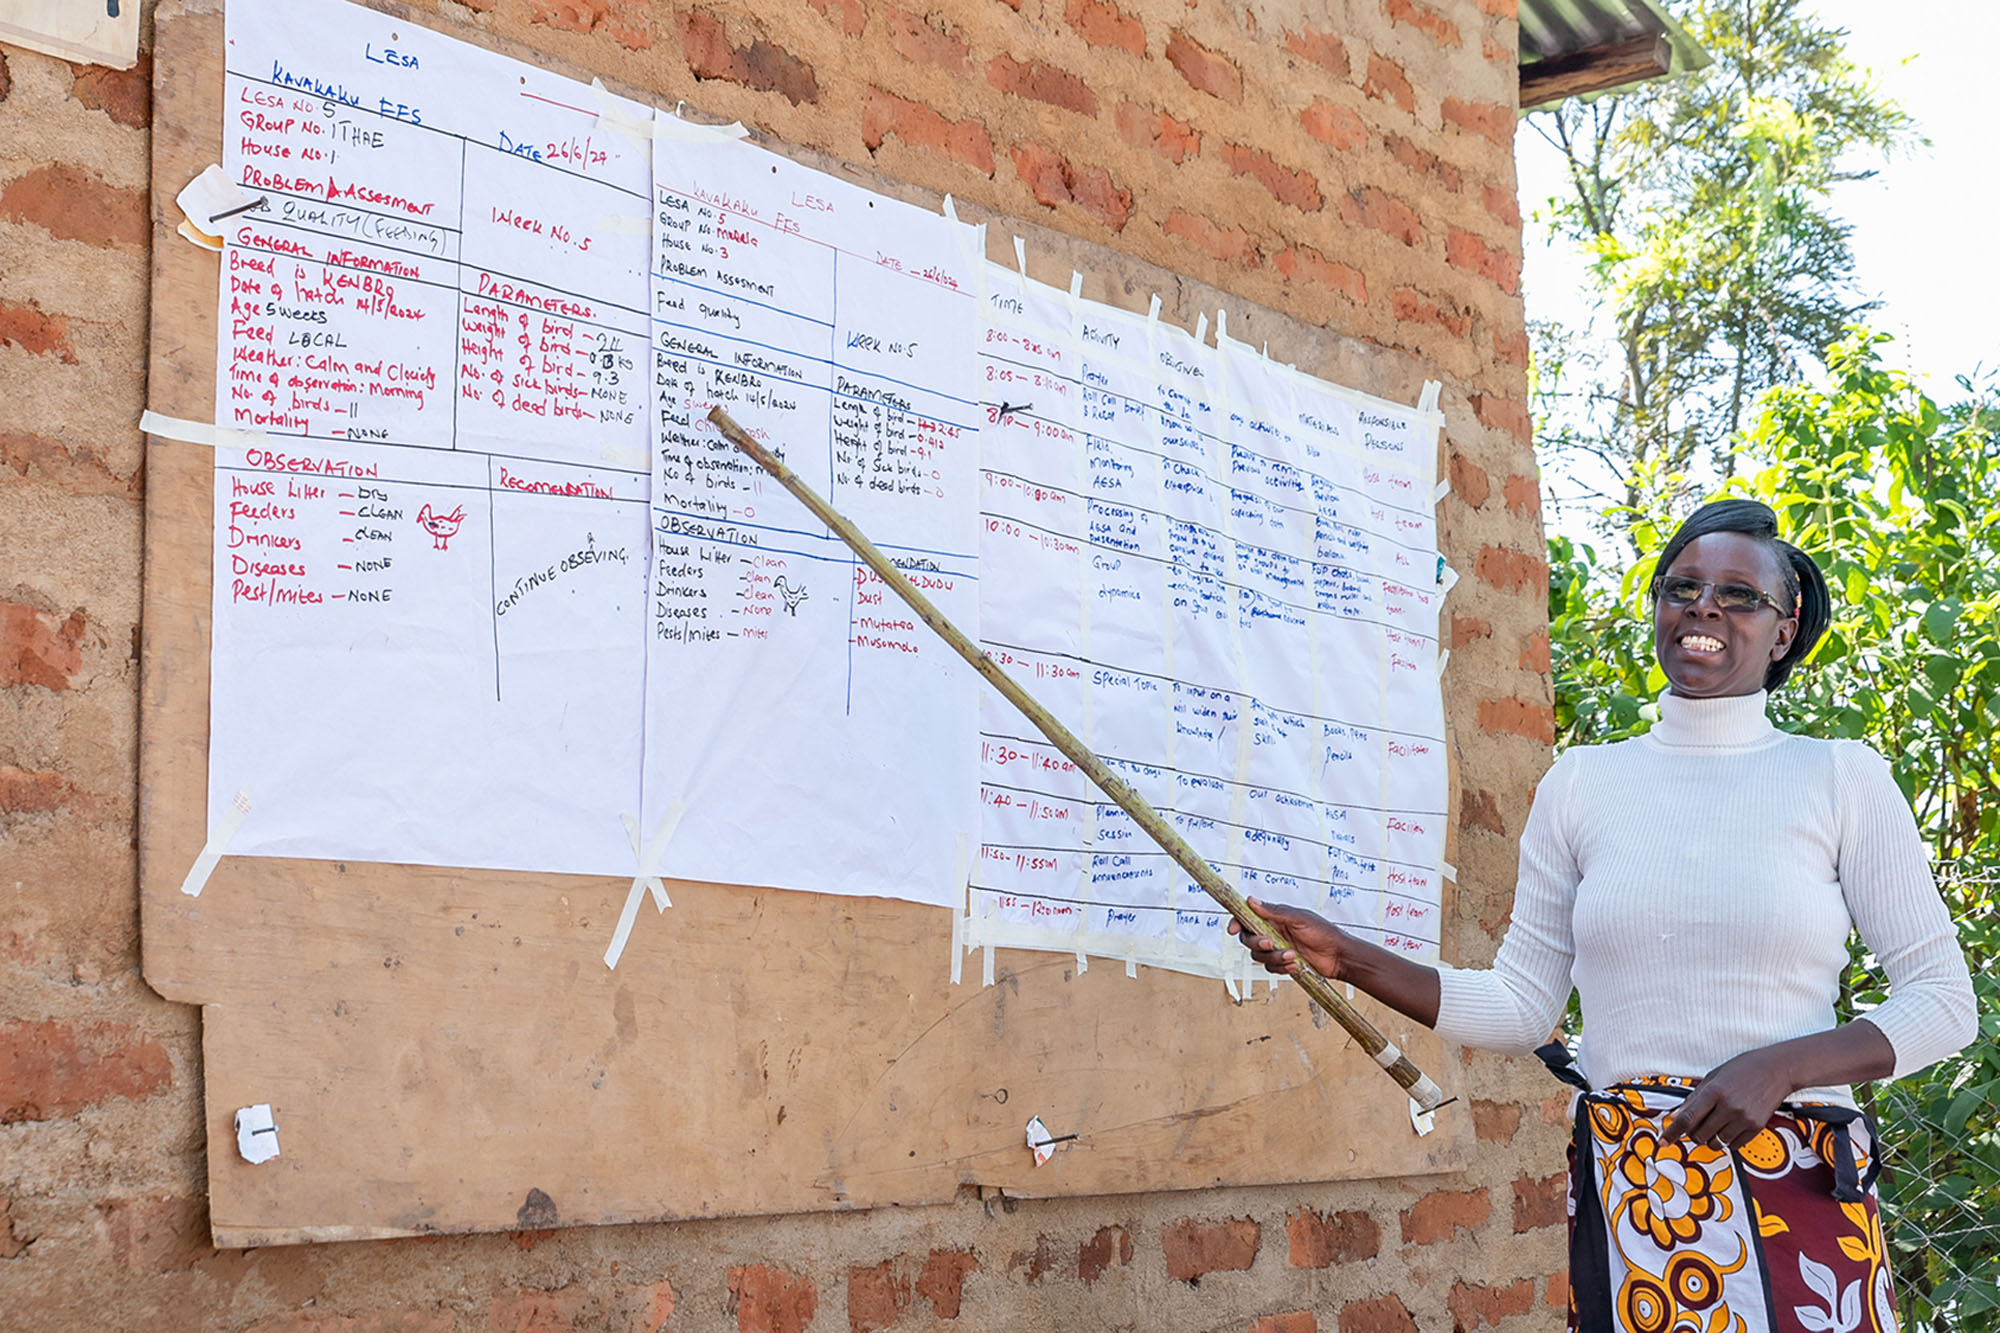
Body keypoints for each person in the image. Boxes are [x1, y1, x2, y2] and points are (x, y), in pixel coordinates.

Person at [1232, 499, 1977, 1333]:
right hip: (1639, 1197)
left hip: (1793, 1188)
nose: (1703, 607)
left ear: (1784, 627)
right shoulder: (1584, 785)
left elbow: (1944, 1002)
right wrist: (1348, 959)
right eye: (1683, 586)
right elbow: (1521, 1007)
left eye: (1739, 595)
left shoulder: (1840, 779)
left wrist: (1779, 1067)